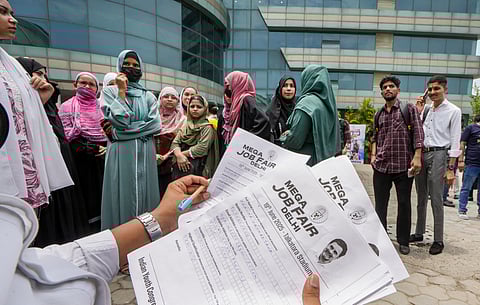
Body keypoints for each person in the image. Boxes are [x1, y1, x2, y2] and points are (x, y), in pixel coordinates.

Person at [0, 0, 73, 210]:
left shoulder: (11, 66)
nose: (13, 19)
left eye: (11, 13)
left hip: (23, 171)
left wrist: (40, 99)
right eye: (3, 12)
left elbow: (16, 119)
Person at [16, 57, 90, 245]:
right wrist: (39, 100)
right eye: (37, 74)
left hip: (61, 160)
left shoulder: (50, 104)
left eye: (44, 75)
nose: (43, 80)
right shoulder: (18, 103)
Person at [101, 50, 162, 230]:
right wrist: (121, 91)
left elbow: (155, 126)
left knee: (146, 196)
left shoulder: (148, 96)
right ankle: (123, 236)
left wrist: (120, 134)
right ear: (120, 66)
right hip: (122, 154)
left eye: (136, 65)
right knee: (122, 194)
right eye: (127, 64)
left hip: (144, 151)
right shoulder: (110, 92)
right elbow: (121, 119)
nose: (131, 68)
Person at [370, 75, 424, 255]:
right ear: (381, 92)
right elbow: (374, 137)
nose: (388, 89)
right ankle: (381, 239)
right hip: (381, 167)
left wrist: (417, 156)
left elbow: (418, 133)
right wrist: (373, 155)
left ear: (397, 90)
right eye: (385, 87)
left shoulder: (408, 109)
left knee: (404, 204)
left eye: (391, 86)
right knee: (380, 205)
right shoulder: (378, 113)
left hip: (403, 166)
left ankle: (403, 241)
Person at [411, 75, 462, 255]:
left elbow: (455, 141)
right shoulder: (425, 109)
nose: (433, 92)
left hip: (440, 153)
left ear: (445, 90)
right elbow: (416, 131)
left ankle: (438, 239)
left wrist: (451, 169)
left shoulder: (454, 111)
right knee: (421, 196)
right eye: (430, 89)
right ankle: (419, 232)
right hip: (422, 154)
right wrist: (418, 111)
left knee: (437, 198)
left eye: (436, 89)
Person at [59, 72, 107, 233]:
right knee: (83, 197)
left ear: (97, 89)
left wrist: (105, 149)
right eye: (83, 83)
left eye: (91, 84)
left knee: (102, 194)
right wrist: (88, 147)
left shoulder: (103, 109)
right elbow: (64, 135)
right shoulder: (66, 107)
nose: (87, 87)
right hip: (77, 160)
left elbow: (109, 132)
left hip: (102, 159)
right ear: (75, 85)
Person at [283, 65, 340, 166]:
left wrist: (284, 137)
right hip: (326, 163)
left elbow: (295, 141)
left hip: (306, 163)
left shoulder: (306, 104)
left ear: (307, 80)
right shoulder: (328, 105)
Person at [217, 71, 271, 156]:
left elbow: (263, 121)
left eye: (229, 84)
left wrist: (245, 141)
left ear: (238, 82)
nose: (226, 87)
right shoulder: (232, 105)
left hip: (242, 154)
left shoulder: (246, 99)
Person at [171, 94, 219, 179]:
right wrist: (179, 156)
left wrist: (181, 155)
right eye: (192, 106)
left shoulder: (208, 127)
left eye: (199, 107)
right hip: (180, 169)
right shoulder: (186, 125)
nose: (195, 109)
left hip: (199, 169)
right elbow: (175, 143)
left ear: (205, 109)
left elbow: (201, 149)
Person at [154, 86, 186, 198]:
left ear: (178, 101)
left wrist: (167, 156)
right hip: (152, 160)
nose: (169, 99)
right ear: (160, 99)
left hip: (172, 163)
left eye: (173, 97)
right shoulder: (152, 117)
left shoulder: (183, 120)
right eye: (166, 96)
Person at [457, 114, 480, 220]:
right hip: (472, 162)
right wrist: (461, 159)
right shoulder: (471, 128)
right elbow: (462, 143)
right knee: (466, 187)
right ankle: (462, 209)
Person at [266, 75, 297, 145]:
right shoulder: (272, 110)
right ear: (280, 89)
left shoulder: (298, 109)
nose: (288, 89)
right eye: (285, 85)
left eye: (292, 86)